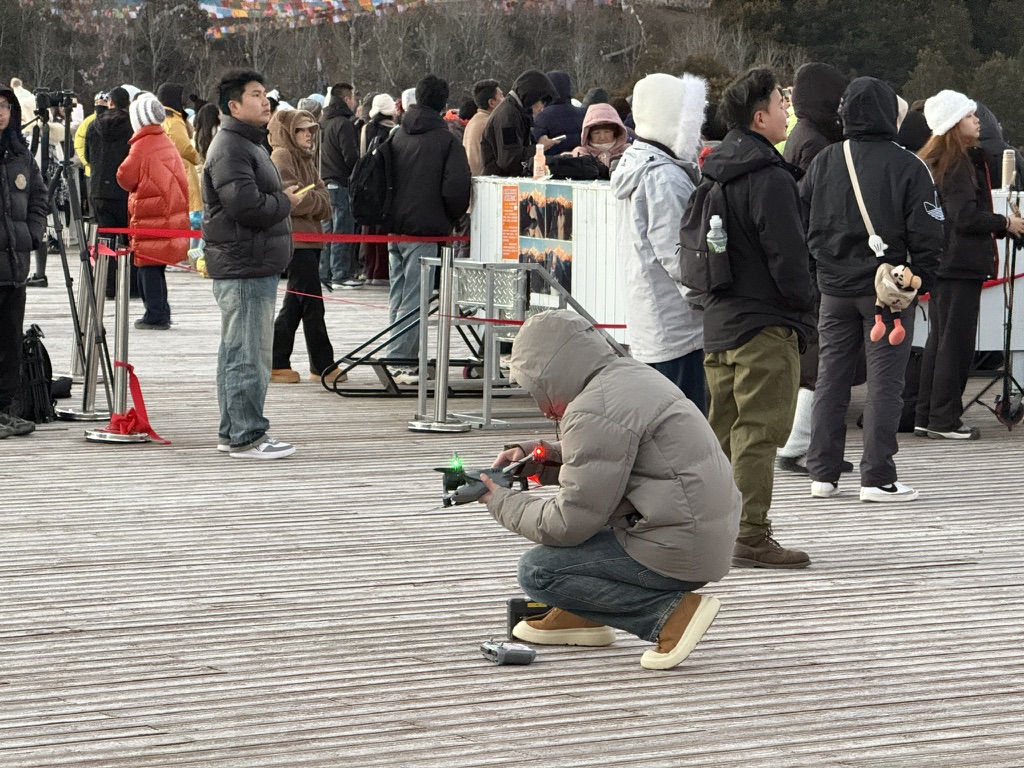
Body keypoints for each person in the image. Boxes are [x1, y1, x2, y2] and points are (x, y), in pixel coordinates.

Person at [478, 310, 740, 670]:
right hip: (700, 534)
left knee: (539, 570)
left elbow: (566, 524)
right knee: (589, 529)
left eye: (535, 388)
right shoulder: (625, 376)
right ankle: (584, 614)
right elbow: (611, 460)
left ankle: (671, 616)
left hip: (676, 548)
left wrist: (496, 497)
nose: (539, 403)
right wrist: (540, 458)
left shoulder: (593, 410)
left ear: (552, 374)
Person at [801, 77, 943, 501]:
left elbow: (800, 218)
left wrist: (818, 272)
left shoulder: (825, 159)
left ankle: (822, 475)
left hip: (833, 289)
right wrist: (920, 280)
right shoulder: (908, 166)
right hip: (887, 292)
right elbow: (929, 234)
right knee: (885, 382)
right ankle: (878, 477)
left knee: (831, 379)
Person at [699, 68, 816, 568]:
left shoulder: (713, 169)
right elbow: (789, 257)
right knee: (759, 431)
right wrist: (804, 310)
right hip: (763, 322)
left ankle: (711, 527)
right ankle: (749, 532)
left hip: (719, 320)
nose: (787, 108)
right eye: (780, 101)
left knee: (721, 431)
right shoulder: (768, 176)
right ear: (759, 116)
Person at [202, 68, 301, 459]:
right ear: (234, 105)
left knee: (237, 351)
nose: (266, 101)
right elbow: (246, 207)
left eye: (265, 93)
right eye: (257, 94)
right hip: (245, 265)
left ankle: (234, 430)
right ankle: (247, 434)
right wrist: (286, 203)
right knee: (248, 355)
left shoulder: (247, 143)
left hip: (249, 262)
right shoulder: (231, 147)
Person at [914, 91, 1024, 440]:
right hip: (960, 261)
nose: (977, 121)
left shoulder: (933, 161)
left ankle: (926, 413)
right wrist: (1005, 224)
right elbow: (963, 216)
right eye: (970, 116)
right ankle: (945, 419)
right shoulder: (958, 162)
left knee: (939, 339)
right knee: (956, 343)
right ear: (953, 124)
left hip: (942, 260)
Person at [611, 73, 706, 412]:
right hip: (679, 329)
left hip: (652, 322)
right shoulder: (664, 177)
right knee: (686, 428)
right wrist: (709, 299)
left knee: (660, 425)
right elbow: (679, 257)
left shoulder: (637, 165)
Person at [776, 62, 850, 476]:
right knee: (824, 359)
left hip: (806, 259)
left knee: (818, 356)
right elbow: (825, 206)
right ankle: (802, 445)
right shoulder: (818, 143)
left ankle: (808, 444)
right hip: (821, 262)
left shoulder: (801, 135)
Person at [385, 74, 471, 385]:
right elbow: (456, 187)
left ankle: (393, 350)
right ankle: (400, 358)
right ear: (444, 105)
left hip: (394, 226)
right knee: (416, 295)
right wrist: (451, 216)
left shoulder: (397, 134)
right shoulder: (446, 139)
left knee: (399, 291)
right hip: (427, 227)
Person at [267, 109, 338, 384]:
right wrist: (314, 202)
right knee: (311, 303)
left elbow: (323, 202)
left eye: (310, 129)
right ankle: (322, 364)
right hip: (296, 241)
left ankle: (278, 360)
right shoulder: (282, 156)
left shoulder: (305, 158)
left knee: (297, 303)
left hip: (311, 239)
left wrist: (314, 202)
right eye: (301, 130)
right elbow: (293, 199)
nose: (308, 135)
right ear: (289, 133)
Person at [116, 96, 190, 330]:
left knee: (147, 267)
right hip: (166, 212)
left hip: (152, 214)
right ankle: (161, 310)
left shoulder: (142, 145)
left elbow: (125, 177)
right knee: (155, 266)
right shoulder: (164, 140)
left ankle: (155, 314)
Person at [0, 86, 48, 438]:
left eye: (5, 107)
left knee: (11, 343)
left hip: (16, 267)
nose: (0, 112)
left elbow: (39, 196)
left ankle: (6, 410)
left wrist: (33, 232)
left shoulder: (20, 155)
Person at [85, 87, 139, 300]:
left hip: (99, 188)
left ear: (110, 103)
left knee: (104, 239)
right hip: (124, 188)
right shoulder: (132, 126)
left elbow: (89, 155)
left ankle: (107, 286)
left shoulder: (93, 125)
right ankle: (132, 286)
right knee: (129, 238)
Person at [319, 83, 362, 290]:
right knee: (342, 230)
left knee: (327, 233)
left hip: (324, 184)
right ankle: (341, 274)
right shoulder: (343, 124)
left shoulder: (322, 123)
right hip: (341, 183)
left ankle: (324, 272)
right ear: (346, 99)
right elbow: (350, 156)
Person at [156, 83, 203, 265]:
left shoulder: (165, 119)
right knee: (187, 213)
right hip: (181, 169)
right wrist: (197, 157)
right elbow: (183, 146)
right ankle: (184, 254)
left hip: (170, 169)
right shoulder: (173, 121)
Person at [480, 69, 558, 176]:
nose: (542, 108)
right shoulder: (508, 117)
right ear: (533, 96)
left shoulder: (516, 112)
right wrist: (539, 147)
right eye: (542, 101)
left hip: (502, 181)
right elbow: (510, 159)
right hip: (500, 183)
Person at [532, 70, 585, 155]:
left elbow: (535, 145)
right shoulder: (583, 114)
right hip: (581, 161)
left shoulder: (541, 117)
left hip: (554, 164)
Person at [463, 79, 503, 177]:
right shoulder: (490, 124)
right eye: (501, 96)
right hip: (485, 183)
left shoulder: (473, 121)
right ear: (492, 102)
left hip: (472, 180)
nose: (505, 100)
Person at [573, 102, 629, 171]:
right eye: (596, 133)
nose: (602, 137)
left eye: (607, 132)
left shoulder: (628, 153)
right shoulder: (580, 154)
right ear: (588, 135)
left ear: (615, 132)